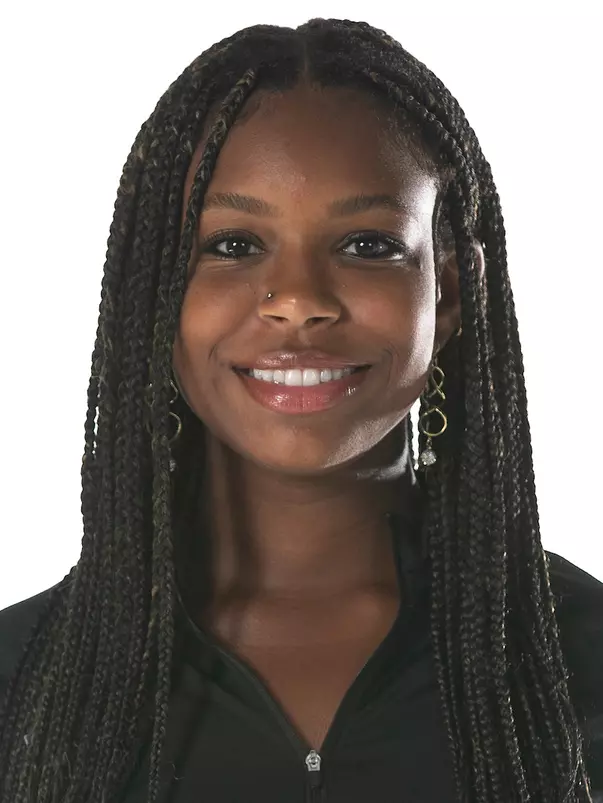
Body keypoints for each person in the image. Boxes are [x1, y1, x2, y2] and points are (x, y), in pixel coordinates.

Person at [0, 17, 601, 803]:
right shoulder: (25, 681)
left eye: (367, 246)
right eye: (233, 245)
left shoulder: (580, 658)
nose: (298, 303)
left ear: (449, 292)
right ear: (154, 291)